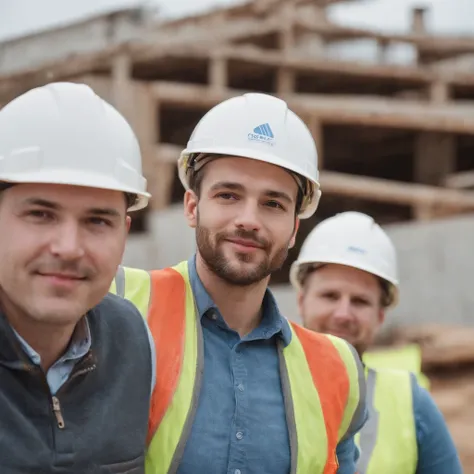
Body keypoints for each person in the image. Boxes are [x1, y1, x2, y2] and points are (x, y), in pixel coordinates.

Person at [111, 93, 368, 474]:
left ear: (294, 229)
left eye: (273, 204)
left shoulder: (338, 368)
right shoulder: (115, 304)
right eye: (228, 195)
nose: (249, 219)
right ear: (192, 207)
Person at [0, 82, 156, 473]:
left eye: (97, 221)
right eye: (41, 214)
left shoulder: (133, 342)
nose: (69, 247)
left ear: (125, 233)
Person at [290, 211, 463, 474]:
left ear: (380, 316)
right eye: (330, 295)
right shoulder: (260, 382)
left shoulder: (410, 401)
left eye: (360, 301)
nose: (343, 314)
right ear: (302, 301)